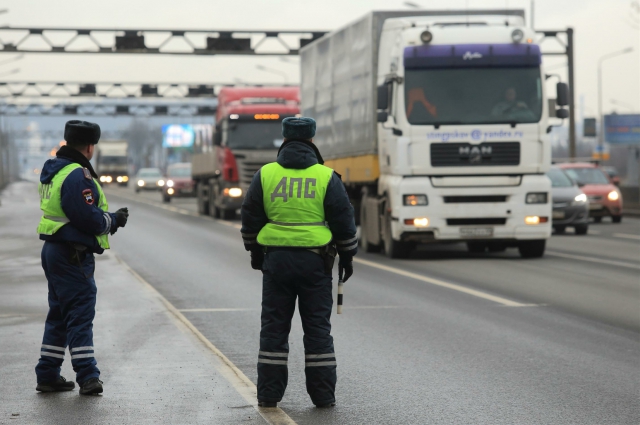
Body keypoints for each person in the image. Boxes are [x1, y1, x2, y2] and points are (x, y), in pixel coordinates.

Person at [241, 117, 357, 408]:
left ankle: (269, 395)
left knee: (273, 329)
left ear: (284, 138)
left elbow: (250, 218)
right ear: (312, 140)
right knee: (318, 330)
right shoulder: (326, 176)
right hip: (315, 264)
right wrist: (347, 256)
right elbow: (344, 221)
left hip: (276, 262)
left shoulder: (265, 174)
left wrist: (256, 254)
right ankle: (323, 396)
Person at [34, 120, 129, 395]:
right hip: (71, 253)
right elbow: (88, 217)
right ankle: (88, 376)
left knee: (59, 315)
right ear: (90, 147)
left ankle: (48, 373)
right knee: (79, 313)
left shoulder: (54, 169)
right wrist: (113, 220)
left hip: (54, 249)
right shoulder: (77, 175)